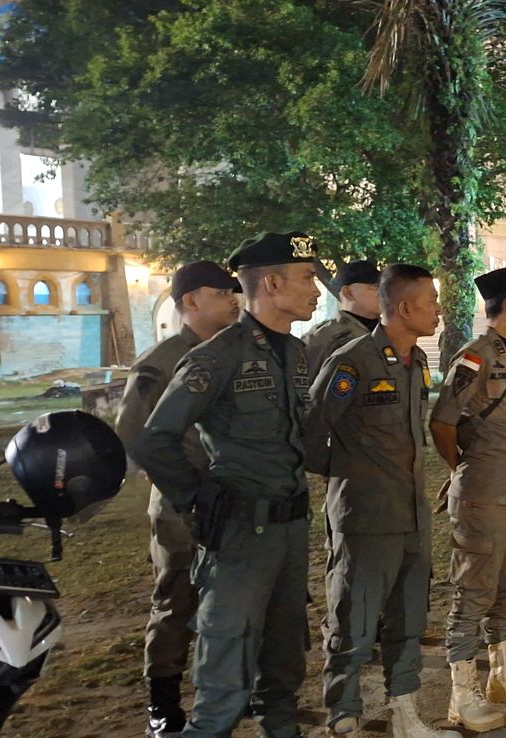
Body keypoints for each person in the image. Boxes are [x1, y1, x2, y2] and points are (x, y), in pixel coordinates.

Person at [131, 231, 323, 738]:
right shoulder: (217, 356)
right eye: (307, 278)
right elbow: (154, 440)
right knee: (225, 673)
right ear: (273, 284)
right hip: (240, 534)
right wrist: (197, 498)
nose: (316, 290)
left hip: (290, 529)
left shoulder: (296, 353)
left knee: (284, 663)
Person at [304, 265, 457, 737]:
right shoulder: (353, 361)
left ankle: (404, 713)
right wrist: (353, 474)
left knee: (408, 620)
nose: (438, 310)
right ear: (405, 308)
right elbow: (311, 434)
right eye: (431, 301)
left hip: (410, 514)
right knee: (353, 621)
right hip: (366, 518)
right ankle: (344, 715)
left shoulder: (417, 361)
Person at [114, 260, 240, 738]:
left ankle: (225, 692)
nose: (234, 300)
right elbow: (133, 435)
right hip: (182, 507)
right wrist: (187, 487)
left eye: (234, 292)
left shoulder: (238, 352)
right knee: (177, 601)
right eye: (222, 293)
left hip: (234, 502)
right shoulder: (162, 362)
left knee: (231, 601)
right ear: (190, 301)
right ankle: (163, 704)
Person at [429, 265, 506, 731]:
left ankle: (503, 674)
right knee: (473, 593)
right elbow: (442, 422)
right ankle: (461, 694)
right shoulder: (476, 356)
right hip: (481, 494)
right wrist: (464, 469)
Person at [304, 260, 381, 371]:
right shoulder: (325, 338)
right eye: (375, 287)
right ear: (348, 292)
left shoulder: (391, 332)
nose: (383, 293)